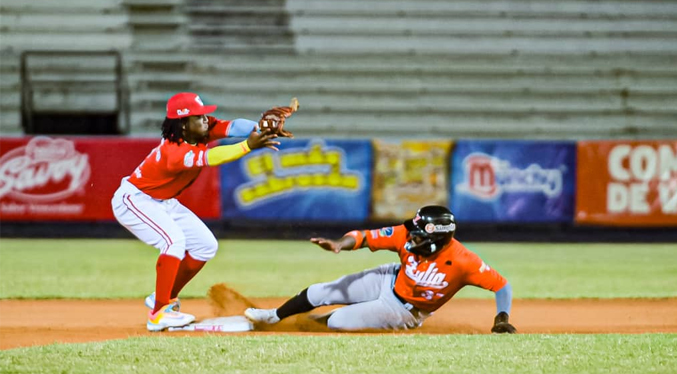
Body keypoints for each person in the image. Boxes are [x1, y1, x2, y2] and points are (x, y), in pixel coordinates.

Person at [111, 92, 281, 332]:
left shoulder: (198, 130)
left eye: (203, 114)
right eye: (198, 116)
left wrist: (259, 127)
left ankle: (164, 297)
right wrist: (247, 145)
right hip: (135, 200)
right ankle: (159, 314)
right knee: (174, 241)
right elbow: (212, 157)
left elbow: (232, 126)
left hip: (163, 201)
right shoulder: (175, 152)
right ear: (183, 124)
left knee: (205, 245)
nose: (205, 119)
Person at [245, 205, 517, 333]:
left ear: (437, 239)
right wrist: (341, 244)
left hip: (406, 310)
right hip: (390, 278)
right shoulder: (405, 235)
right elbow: (365, 237)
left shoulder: (464, 261)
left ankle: (313, 322)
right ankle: (274, 316)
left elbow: (501, 285)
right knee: (320, 291)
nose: (411, 237)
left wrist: (501, 319)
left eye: (419, 235)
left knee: (340, 321)